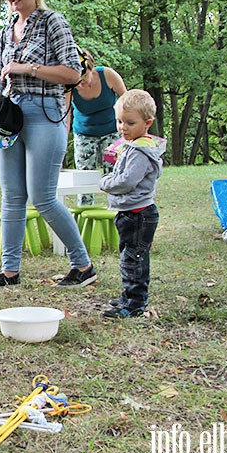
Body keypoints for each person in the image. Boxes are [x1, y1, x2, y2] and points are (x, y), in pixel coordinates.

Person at [0, 0, 96, 289]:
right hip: (9, 117)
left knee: (42, 196)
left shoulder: (52, 22)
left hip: (45, 113)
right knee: (12, 194)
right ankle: (9, 272)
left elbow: (73, 72)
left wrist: (26, 69)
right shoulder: (5, 32)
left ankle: (83, 265)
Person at [98, 90, 164, 318]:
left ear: (147, 123)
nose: (122, 127)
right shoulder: (132, 145)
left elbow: (127, 180)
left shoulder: (140, 151)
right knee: (129, 255)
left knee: (134, 258)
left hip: (138, 214)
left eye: (129, 123)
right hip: (129, 212)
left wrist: (105, 182)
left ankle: (135, 303)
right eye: (119, 121)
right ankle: (129, 295)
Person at [70, 48, 127, 205]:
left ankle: (117, 210)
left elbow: (127, 102)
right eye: (76, 81)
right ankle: (85, 215)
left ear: (91, 68)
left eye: (84, 78)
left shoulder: (108, 76)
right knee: (84, 178)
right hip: (84, 134)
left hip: (111, 132)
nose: (80, 85)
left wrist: (129, 131)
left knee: (114, 173)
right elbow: (65, 114)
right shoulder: (69, 87)